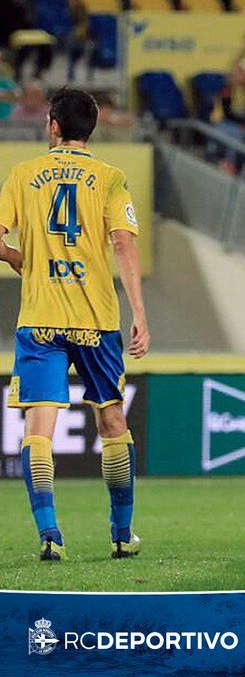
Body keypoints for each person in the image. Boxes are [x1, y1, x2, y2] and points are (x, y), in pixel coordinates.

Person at [0, 87, 150, 561]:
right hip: (95, 319)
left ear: (53, 125)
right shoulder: (110, 178)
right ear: (92, 128)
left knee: (38, 429)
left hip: (40, 319)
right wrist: (140, 313)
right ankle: (122, 534)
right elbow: (124, 244)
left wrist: (16, 256)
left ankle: (50, 534)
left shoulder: (23, 175)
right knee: (112, 420)